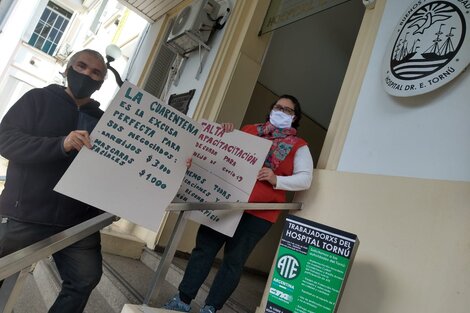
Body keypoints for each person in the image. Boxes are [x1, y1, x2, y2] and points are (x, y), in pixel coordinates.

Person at [163, 95, 314, 313]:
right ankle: (183, 300)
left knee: (233, 261)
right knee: (203, 250)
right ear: (271, 109)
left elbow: (305, 179)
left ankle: (211, 308)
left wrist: (276, 179)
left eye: (288, 111)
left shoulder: (299, 146)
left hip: (259, 214)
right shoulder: (250, 131)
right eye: (278, 107)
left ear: (295, 118)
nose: (281, 111)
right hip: (227, 202)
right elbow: (225, 157)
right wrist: (226, 134)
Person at [0, 49, 108, 313]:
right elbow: (6, 140)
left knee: (85, 278)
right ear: (68, 68)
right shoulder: (36, 99)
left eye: (95, 72)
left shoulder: (105, 121)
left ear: (101, 83)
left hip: (77, 221)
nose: (86, 74)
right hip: (24, 213)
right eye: (81, 66)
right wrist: (60, 144)